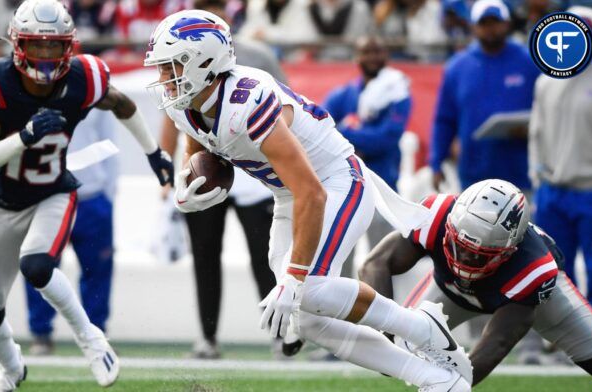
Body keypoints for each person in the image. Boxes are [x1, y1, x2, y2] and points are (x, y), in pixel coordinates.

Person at [145, 9, 472, 391]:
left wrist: (295, 278)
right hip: (290, 193)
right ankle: (433, 379)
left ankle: (421, 327)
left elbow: (311, 192)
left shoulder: (246, 100)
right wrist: (191, 189)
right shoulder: (188, 104)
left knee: (307, 286)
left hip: (336, 182)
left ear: (204, 61)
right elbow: (200, 152)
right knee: (306, 319)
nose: (165, 78)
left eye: (173, 66)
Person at [0, 0, 173, 390]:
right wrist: (23, 137)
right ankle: (11, 370)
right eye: (36, 45)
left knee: (38, 267)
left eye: (54, 45)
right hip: (4, 202)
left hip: (53, 192)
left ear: (69, 47)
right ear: (17, 44)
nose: (45, 54)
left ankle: (91, 339)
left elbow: (123, 105)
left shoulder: (83, 77)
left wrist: (153, 152)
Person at [359, 179, 592, 386]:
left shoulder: (533, 268)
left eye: (480, 254)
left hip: (527, 300)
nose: (465, 258)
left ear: (509, 250)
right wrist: (387, 329)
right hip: (449, 291)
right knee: (394, 353)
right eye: (459, 246)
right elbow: (375, 264)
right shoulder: (434, 215)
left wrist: (451, 386)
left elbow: (498, 342)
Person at [160, 0, 280, 359]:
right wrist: (170, 171)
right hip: (206, 163)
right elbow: (173, 109)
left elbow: (283, 107)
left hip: (252, 169)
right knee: (205, 254)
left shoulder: (256, 56)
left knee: (266, 254)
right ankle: (208, 337)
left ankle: (279, 334)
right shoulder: (180, 54)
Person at [529, 6, 592, 329]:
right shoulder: (546, 81)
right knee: (551, 269)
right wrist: (537, 177)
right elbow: (536, 133)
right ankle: (560, 334)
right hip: (552, 191)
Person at [24, 108, 118, 356]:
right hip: (46, 194)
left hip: (91, 195)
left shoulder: (94, 87)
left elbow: (109, 139)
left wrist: (108, 192)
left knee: (97, 268)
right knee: (39, 267)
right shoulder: (35, 88)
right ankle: (41, 332)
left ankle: (97, 332)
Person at [324, 34, 410, 278]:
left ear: (387, 56)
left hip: (382, 187)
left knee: (381, 263)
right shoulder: (343, 95)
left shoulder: (398, 93)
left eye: (377, 51)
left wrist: (348, 134)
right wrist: (353, 140)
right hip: (345, 189)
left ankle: (382, 313)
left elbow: (388, 137)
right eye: (366, 52)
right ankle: (342, 314)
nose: (372, 57)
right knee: (340, 263)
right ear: (357, 56)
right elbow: (321, 131)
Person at [430, 0, 539, 192]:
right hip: (474, 174)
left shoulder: (529, 61)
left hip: (521, 170)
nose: (490, 29)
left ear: (507, 24)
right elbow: (444, 119)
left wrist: (533, 127)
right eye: (484, 23)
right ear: (473, 26)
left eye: (495, 22)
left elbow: (547, 109)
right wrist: (436, 161)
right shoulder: (457, 67)